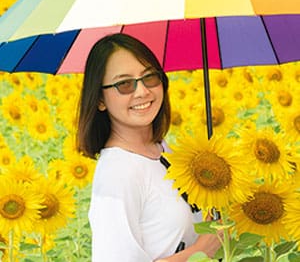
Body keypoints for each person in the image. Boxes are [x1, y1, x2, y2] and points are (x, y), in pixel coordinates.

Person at [76, 33, 222, 261]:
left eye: (150, 77)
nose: (142, 91)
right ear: (100, 100)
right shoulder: (117, 175)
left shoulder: (161, 149)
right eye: (124, 84)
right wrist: (201, 251)